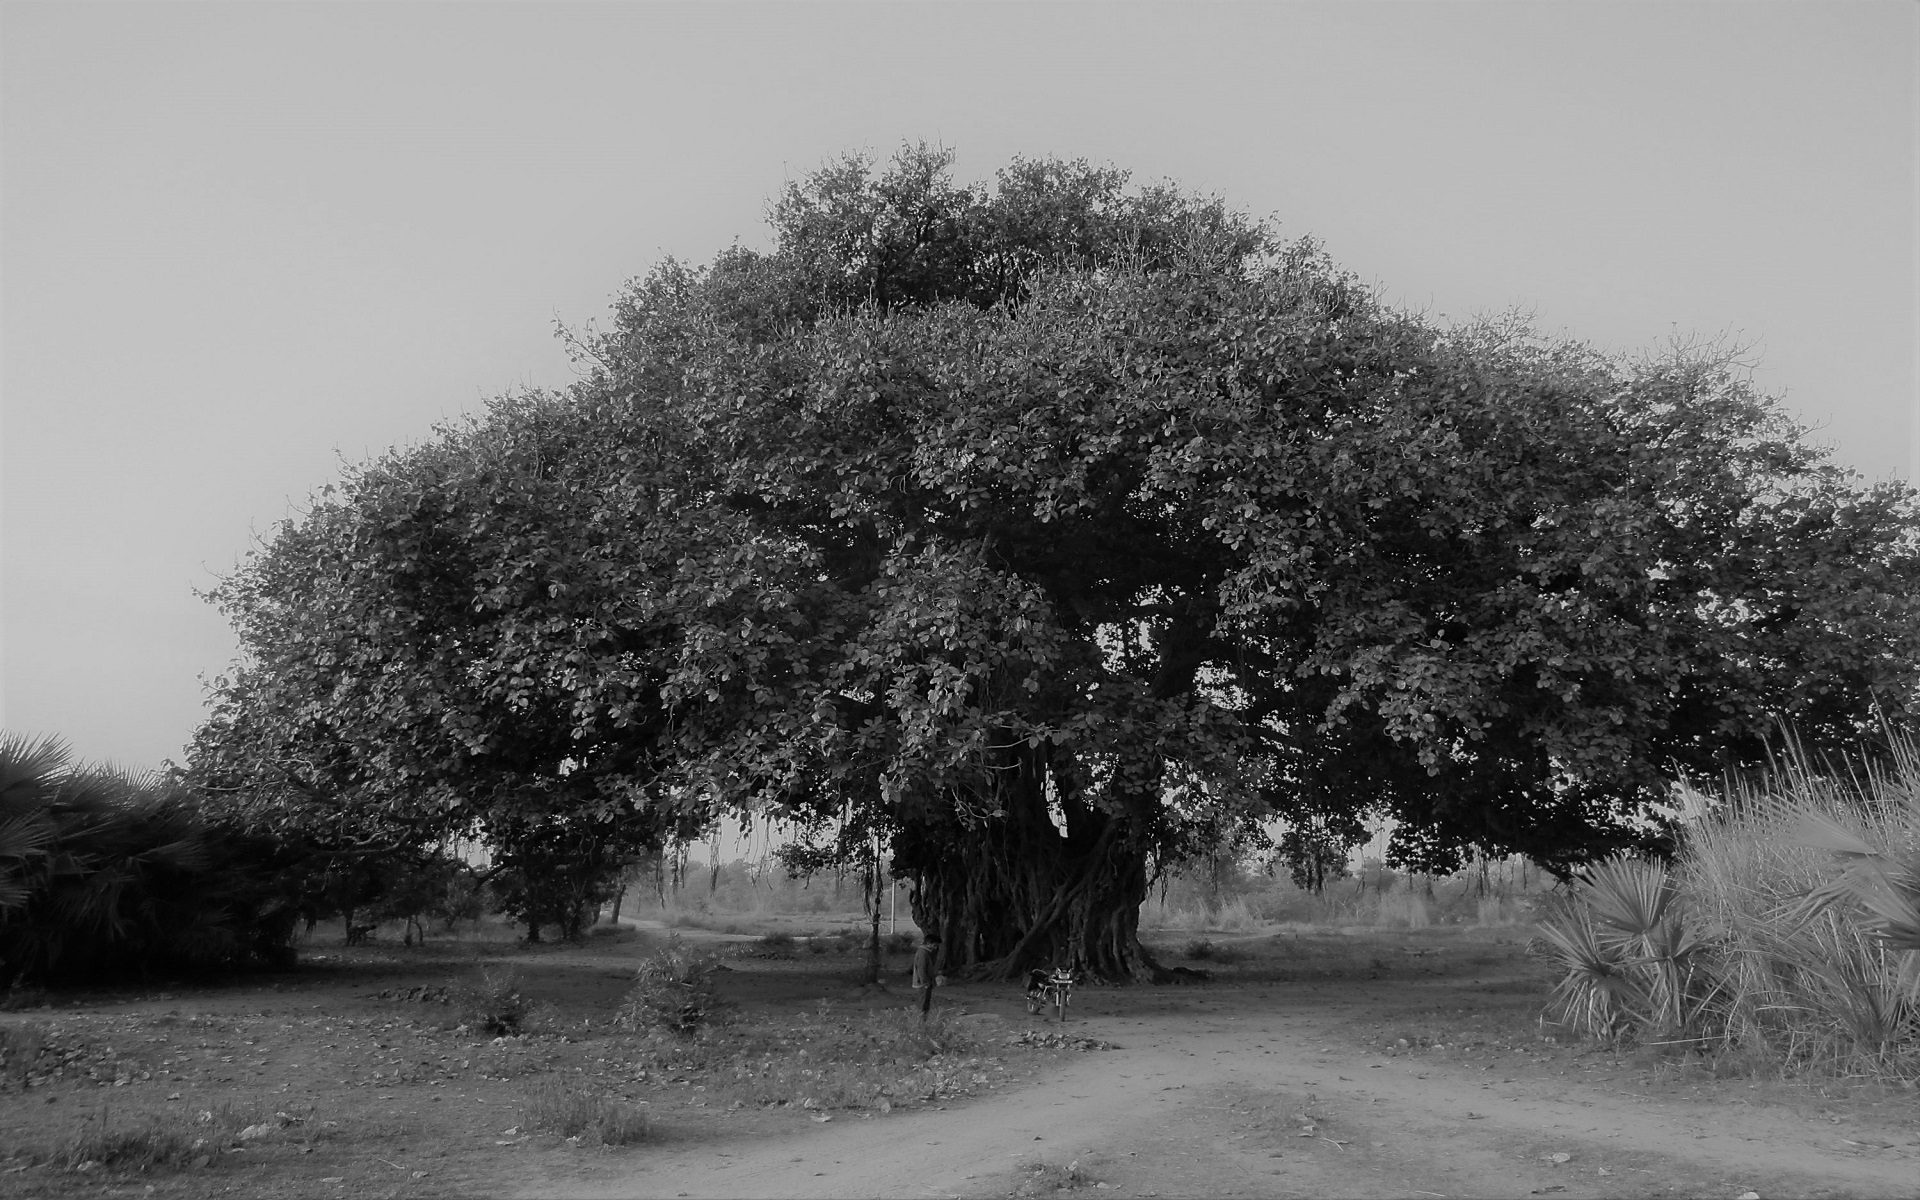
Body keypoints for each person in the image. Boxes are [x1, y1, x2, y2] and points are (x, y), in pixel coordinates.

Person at [913, 934, 943, 1017]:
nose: (935, 948)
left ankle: (923, 1021)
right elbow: (921, 970)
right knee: (923, 1005)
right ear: (929, 943)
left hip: (925, 983)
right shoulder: (923, 953)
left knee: (925, 1004)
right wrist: (926, 983)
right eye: (935, 945)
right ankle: (921, 1023)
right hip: (923, 984)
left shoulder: (926, 952)